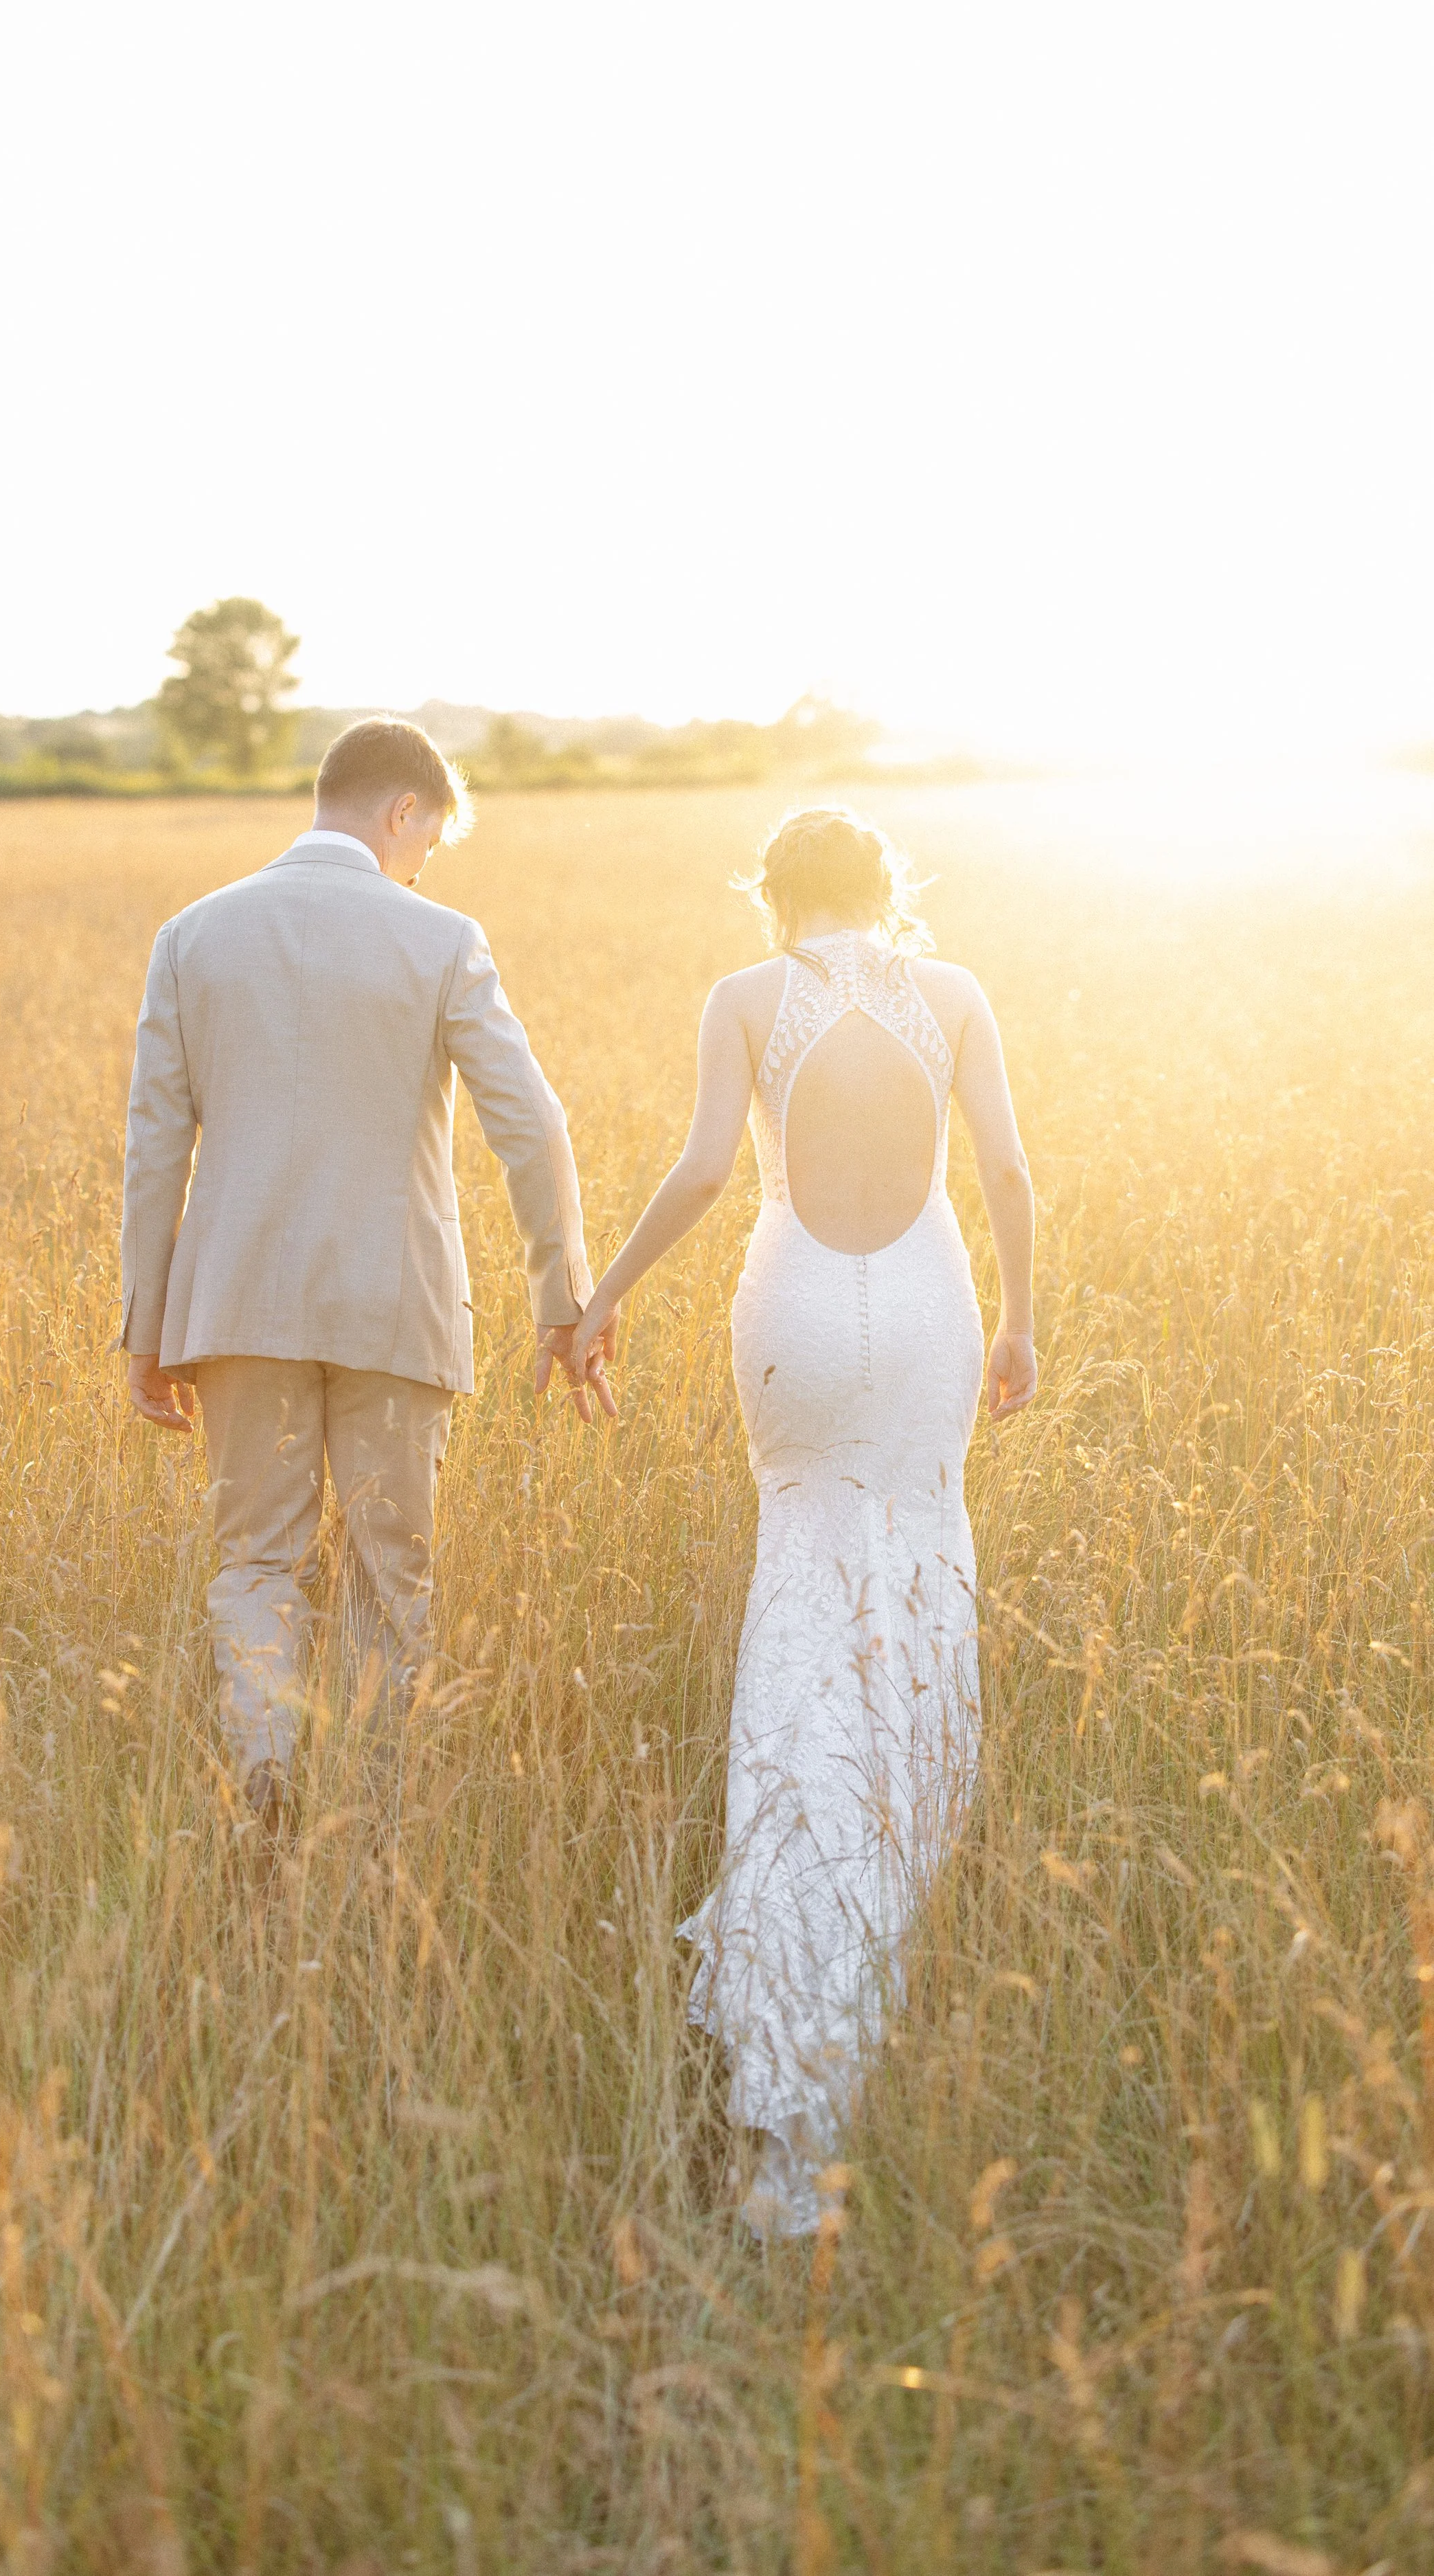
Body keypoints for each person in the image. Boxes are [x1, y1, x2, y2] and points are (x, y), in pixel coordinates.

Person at [569, 808, 1036, 2235]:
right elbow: (1007, 1171)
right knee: (915, 1569)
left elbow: (709, 1170)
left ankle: (790, 2002)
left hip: (794, 1321)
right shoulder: (950, 995)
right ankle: (890, 1898)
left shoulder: (745, 997)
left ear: (773, 899)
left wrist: (603, 1298)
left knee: (802, 1584)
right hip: (925, 1313)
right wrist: (1024, 1322)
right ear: (883, 893)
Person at [120, 716, 615, 1820]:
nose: (424, 863)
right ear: (405, 810)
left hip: (236, 1305)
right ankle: (376, 1812)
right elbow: (532, 1127)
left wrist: (147, 1328)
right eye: (428, 840)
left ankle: (265, 1768)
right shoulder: (441, 940)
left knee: (255, 1561)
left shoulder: (191, 937)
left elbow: (156, 1141)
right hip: (396, 1304)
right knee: (393, 1578)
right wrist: (560, 1298)